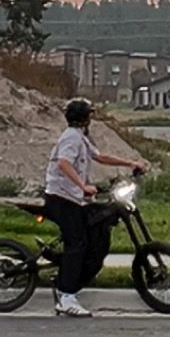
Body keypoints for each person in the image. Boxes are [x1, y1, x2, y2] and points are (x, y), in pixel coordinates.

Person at [42, 99, 146, 319]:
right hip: (61, 198)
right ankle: (66, 297)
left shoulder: (80, 137)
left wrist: (130, 163)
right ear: (84, 119)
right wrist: (83, 186)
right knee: (77, 244)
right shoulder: (71, 137)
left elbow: (100, 157)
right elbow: (63, 163)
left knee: (94, 231)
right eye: (89, 115)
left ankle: (68, 276)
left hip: (72, 198)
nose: (91, 118)